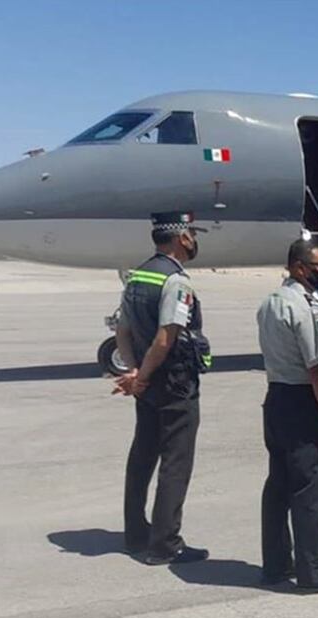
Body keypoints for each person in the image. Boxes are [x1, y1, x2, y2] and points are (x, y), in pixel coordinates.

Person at [256, 239, 318, 594]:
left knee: (279, 486)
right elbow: (317, 370)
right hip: (303, 401)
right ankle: (315, 571)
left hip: (277, 398)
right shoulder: (305, 308)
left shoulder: (271, 303)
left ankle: (276, 563)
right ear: (299, 267)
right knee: (310, 489)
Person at [113, 211, 211, 565]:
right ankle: (165, 543)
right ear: (182, 238)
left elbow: (122, 331)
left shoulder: (138, 276)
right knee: (175, 463)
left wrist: (135, 371)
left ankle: (135, 533)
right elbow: (166, 337)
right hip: (174, 383)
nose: (195, 241)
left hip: (148, 384)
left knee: (142, 458)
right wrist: (143, 374)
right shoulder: (176, 281)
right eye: (192, 235)